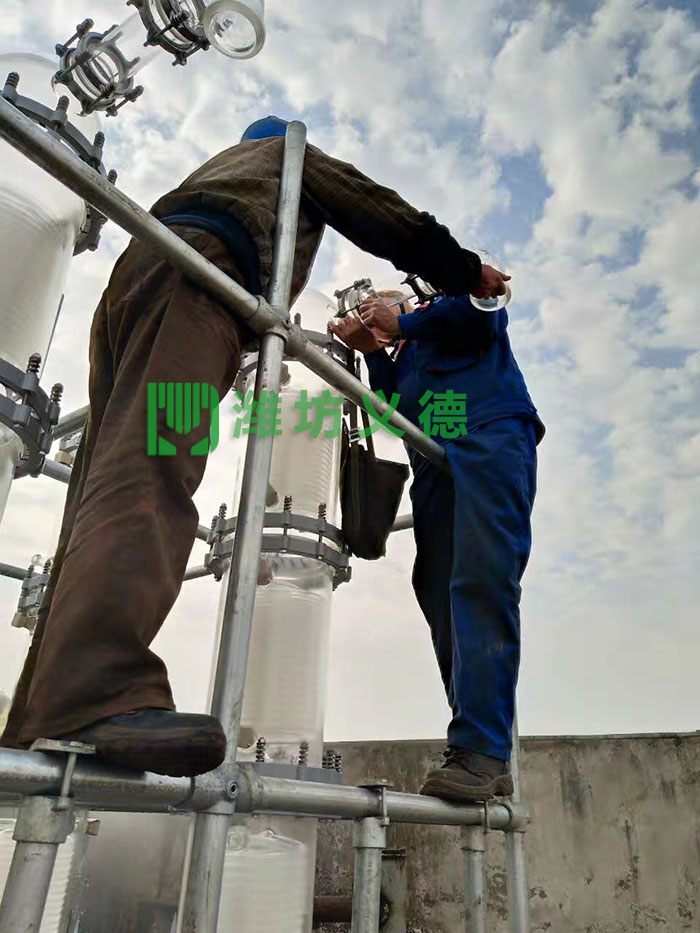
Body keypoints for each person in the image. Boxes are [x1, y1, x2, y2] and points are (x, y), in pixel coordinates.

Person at [0, 116, 509, 778]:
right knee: (159, 463)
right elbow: (372, 207)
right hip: (201, 290)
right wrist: (464, 270)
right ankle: (96, 691)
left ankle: (40, 712)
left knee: (107, 477)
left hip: (138, 287)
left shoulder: (215, 182)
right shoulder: (282, 157)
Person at [331, 287, 545, 802]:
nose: (372, 310)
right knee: (438, 590)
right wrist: (373, 353)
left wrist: (403, 322)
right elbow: (395, 414)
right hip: (433, 460)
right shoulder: (407, 355)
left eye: (379, 303)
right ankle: (473, 743)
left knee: (482, 580)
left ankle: (483, 751)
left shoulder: (450, 310)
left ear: (408, 302)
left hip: (488, 439)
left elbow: (482, 308)